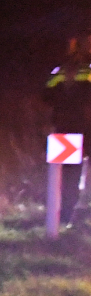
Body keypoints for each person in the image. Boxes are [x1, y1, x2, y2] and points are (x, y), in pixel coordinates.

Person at [43, 38, 91, 224]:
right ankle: (76, 213)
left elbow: (46, 96)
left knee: (67, 172)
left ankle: (64, 214)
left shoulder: (59, 71)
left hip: (64, 125)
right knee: (71, 172)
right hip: (85, 126)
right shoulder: (88, 69)